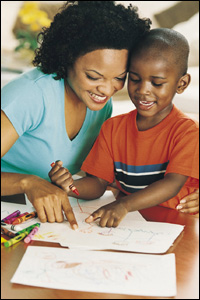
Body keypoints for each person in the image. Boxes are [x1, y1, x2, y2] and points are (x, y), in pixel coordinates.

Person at [1, 1, 151, 228]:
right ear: (67, 58)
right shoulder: (30, 95)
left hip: (35, 216)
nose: (106, 89)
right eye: (93, 76)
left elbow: (98, 179)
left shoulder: (100, 105)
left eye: (119, 78)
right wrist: (27, 183)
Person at [49, 28, 199, 227]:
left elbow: (171, 184)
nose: (143, 90)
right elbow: (98, 183)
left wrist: (124, 205)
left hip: (177, 222)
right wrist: (70, 186)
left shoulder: (186, 131)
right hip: (132, 223)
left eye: (157, 83)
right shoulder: (112, 128)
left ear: (181, 84)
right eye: (135, 79)